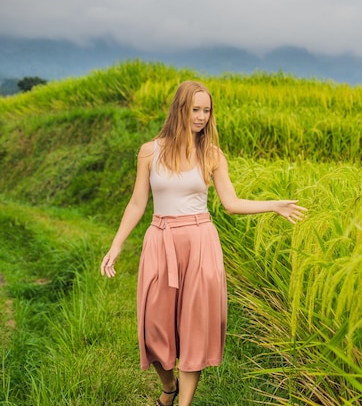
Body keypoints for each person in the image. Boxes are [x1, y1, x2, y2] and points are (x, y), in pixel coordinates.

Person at [100, 80, 307, 406]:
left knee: (195, 327)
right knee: (153, 326)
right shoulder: (149, 151)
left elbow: (231, 202)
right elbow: (137, 203)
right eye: (195, 109)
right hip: (160, 239)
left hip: (200, 242)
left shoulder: (211, 154)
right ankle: (169, 388)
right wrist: (117, 245)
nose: (201, 116)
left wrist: (273, 205)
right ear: (180, 109)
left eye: (206, 110)